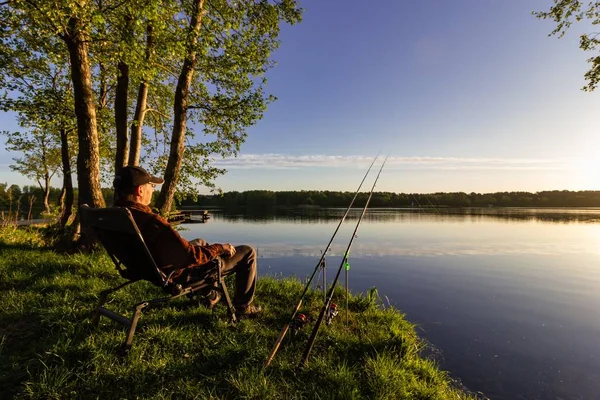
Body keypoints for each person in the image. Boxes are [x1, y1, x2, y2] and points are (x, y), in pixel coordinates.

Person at [113, 165, 261, 318]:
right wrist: (220, 248)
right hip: (177, 274)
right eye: (151, 185)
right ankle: (242, 309)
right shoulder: (151, 222)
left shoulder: (117, 216)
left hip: (145, 268)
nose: (153, 189)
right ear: (140, 190)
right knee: (247, 252)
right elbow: (193, 257)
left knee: (201, 242)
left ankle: (211, 295)